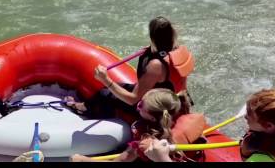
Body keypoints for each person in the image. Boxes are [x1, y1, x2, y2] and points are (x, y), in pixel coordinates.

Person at [65, 16, 194, 119]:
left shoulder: (156, 66)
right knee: (115, 88)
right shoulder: (177, 50)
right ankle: (100, 110)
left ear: (152, 37)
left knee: (105, 92)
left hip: (157, 110)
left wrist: (105, 79)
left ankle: (82, 108)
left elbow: (133, 100)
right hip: (173, 102)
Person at [70, 88, 205, 162]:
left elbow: (122, 161)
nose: (137, 106)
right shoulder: (176, 114)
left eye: (140, 105)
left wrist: (83, 160)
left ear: (152, 117)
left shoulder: (146, 139)